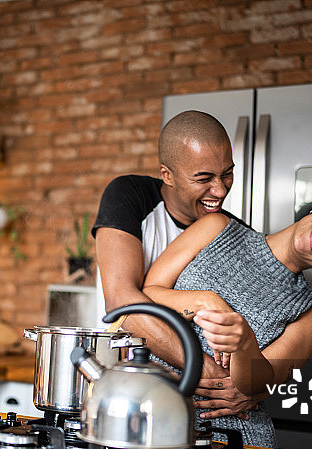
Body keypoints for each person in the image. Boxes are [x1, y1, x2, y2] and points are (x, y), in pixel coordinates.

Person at [142, 194, 312, 446]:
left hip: (226, 438)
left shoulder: (311, 314)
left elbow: (256, 386)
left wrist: (244, 343)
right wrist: (206, 301)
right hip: (143, 402)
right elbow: (149, 294)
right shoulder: (216, 226)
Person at [93, 110, 261, 420]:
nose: (221, 190)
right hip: (118, 394)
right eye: (204, 178)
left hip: (200, 412)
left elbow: (262, 334)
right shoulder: (129, 196)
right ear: (167, 175)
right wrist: (201, 367)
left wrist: (256, 388)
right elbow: (122, 304)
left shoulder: (232, 231)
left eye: (227, 173)